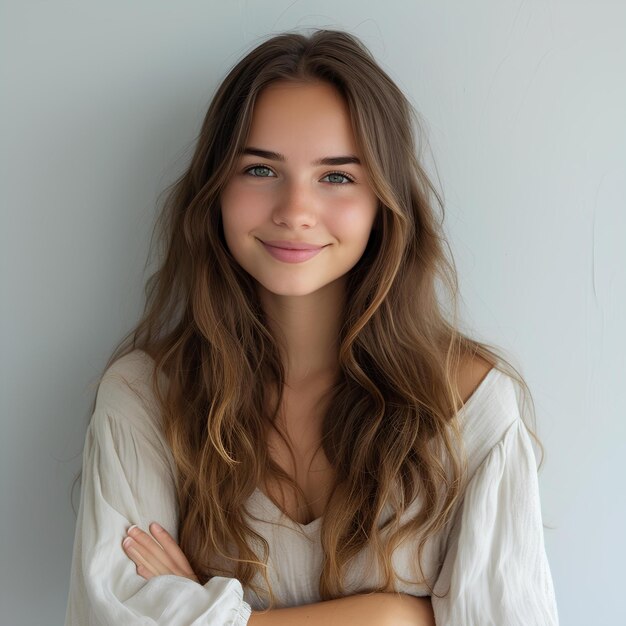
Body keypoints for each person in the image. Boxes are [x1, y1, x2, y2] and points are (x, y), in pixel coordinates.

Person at [64, 28, 559, 625]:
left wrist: (216, 614)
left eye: (336, 176)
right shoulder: (145, 398)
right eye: (259, 169)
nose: (295, 210)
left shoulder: (472, 408)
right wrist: (396, 617)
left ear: (384, 202)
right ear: (215, 189)